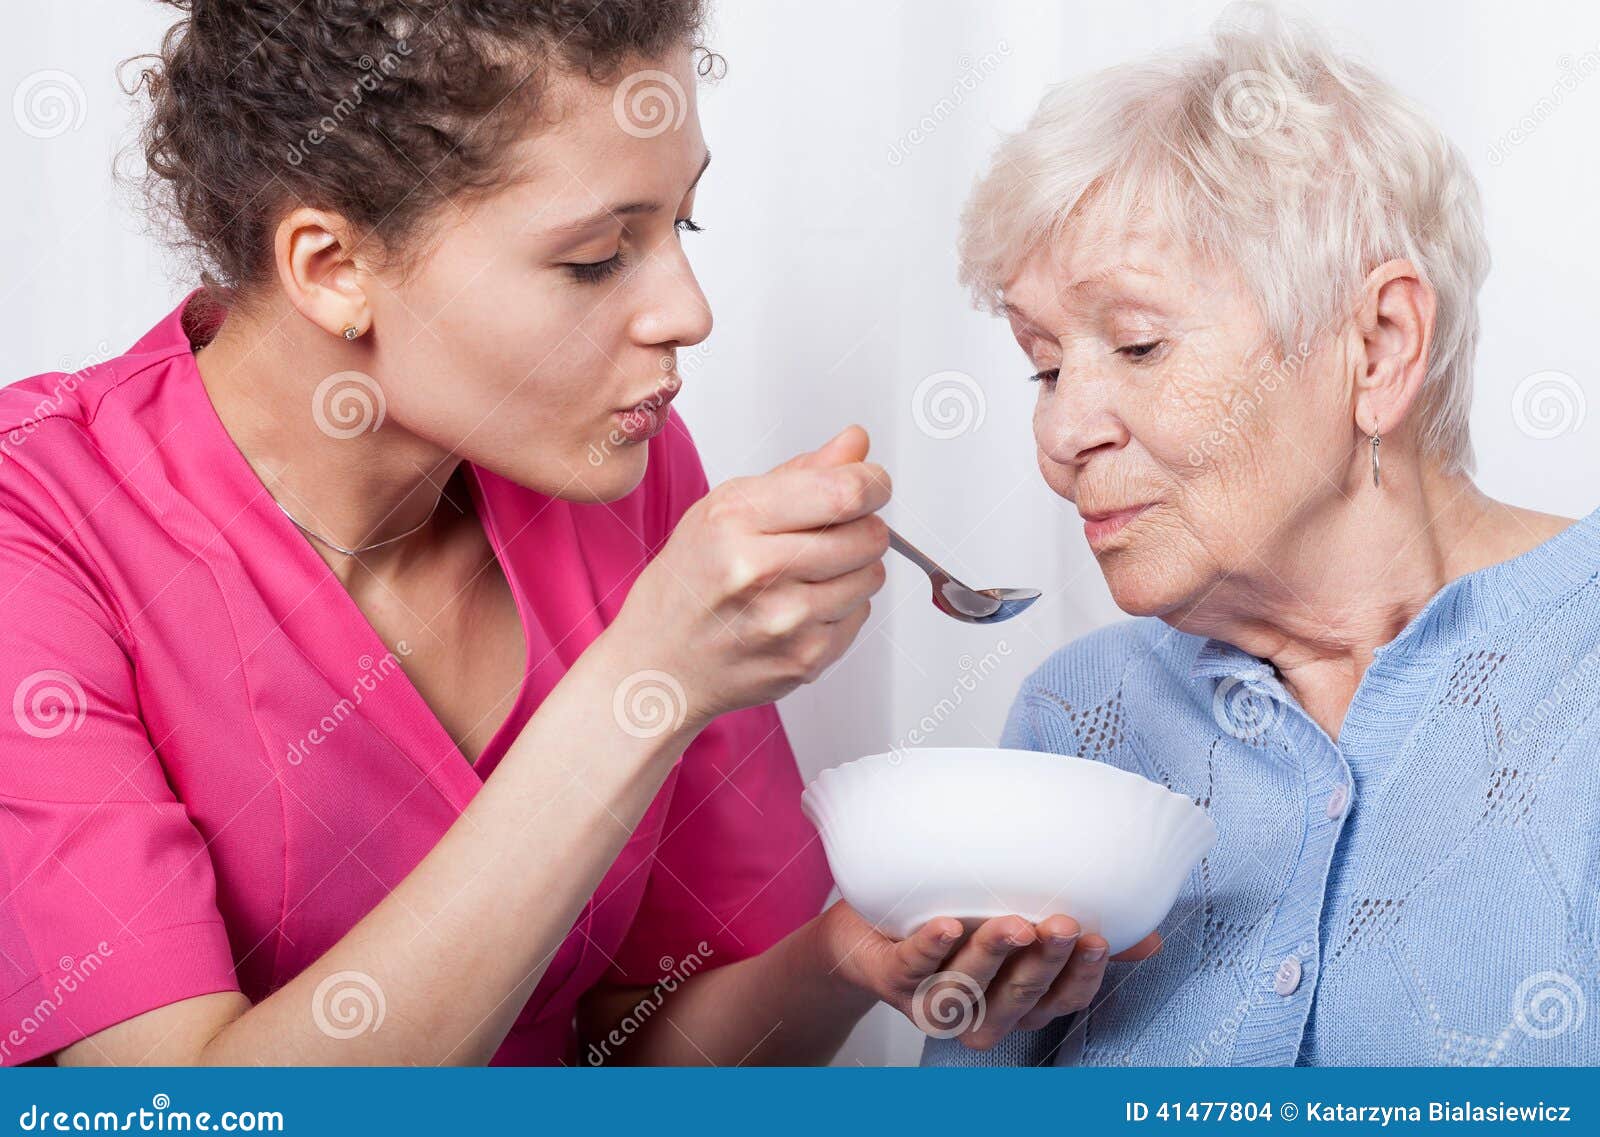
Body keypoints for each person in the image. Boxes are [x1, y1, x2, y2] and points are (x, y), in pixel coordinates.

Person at [0, 0, 1123, 1067]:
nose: (687, 311)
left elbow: (628, 1058)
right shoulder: (38, 525)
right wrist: (647, 681)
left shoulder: (610, 466)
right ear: (332, 268)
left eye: (680, 221)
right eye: (596, 257)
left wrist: (842, 958)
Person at [925, 2, 1599, 1066]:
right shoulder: (1077, 719)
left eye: (1138, 345)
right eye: (1044, 365)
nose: (1059, 432)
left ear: (1377, 349)